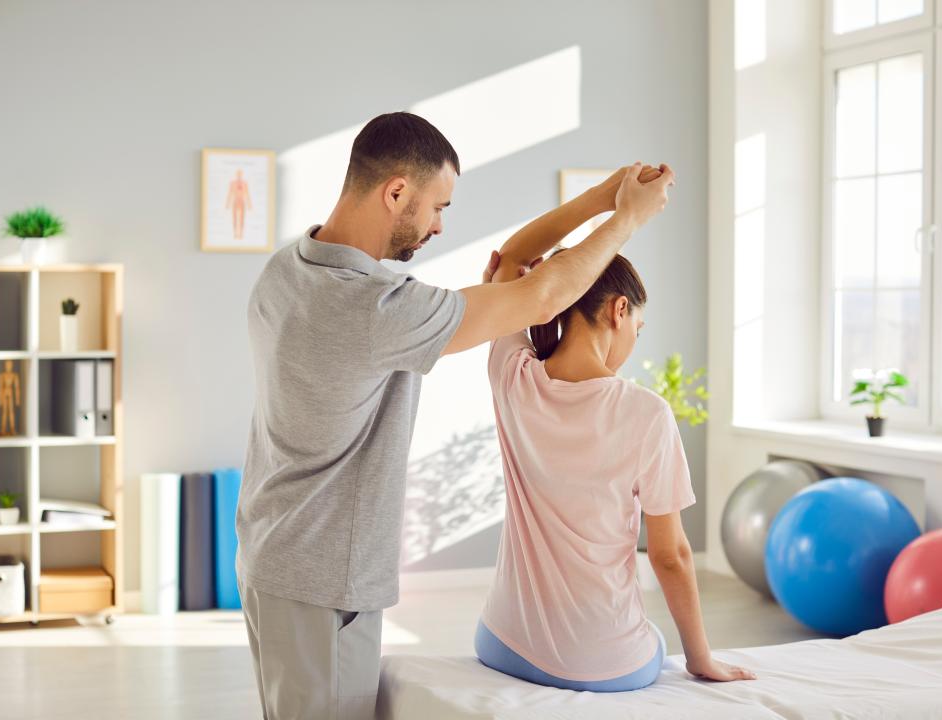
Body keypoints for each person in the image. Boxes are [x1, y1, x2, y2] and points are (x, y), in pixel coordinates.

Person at [237, 110, 674, 719]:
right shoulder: (373, 309)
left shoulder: (288, 269)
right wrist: (626, 216)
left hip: (271, 553)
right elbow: (539, 292)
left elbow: (518, 273)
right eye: (438, 205)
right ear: (396, 192)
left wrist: (605, 194)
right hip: (323, 577)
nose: (441, 225)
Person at [476, 195, 758, 691]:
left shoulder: (512, 374)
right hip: (599, 662)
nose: (634, 339)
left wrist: (611, 196)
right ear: (619, 309)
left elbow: (512, 258)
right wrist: (700, 657)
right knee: (650, 644)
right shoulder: (646, 413)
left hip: (503, 644)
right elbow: (671, 557)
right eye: (637, 327)